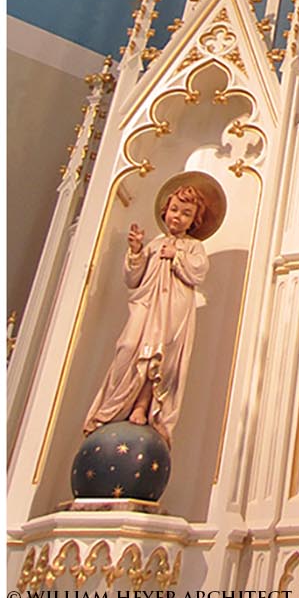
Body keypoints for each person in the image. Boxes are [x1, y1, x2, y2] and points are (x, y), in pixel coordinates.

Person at [83, 172, 225, 447]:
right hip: (146, 309)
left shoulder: (193, 247)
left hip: (174, 311)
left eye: (186, 213)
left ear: (194, 220)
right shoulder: (154, 244)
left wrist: (178, 257)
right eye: (174, 210)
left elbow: (198, 273)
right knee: (128, 348)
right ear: (165, 210)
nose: (177, 217)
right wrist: (136, 252)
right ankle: (112, 409)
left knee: (161, 360)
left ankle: (145, 406)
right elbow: (132, 278)